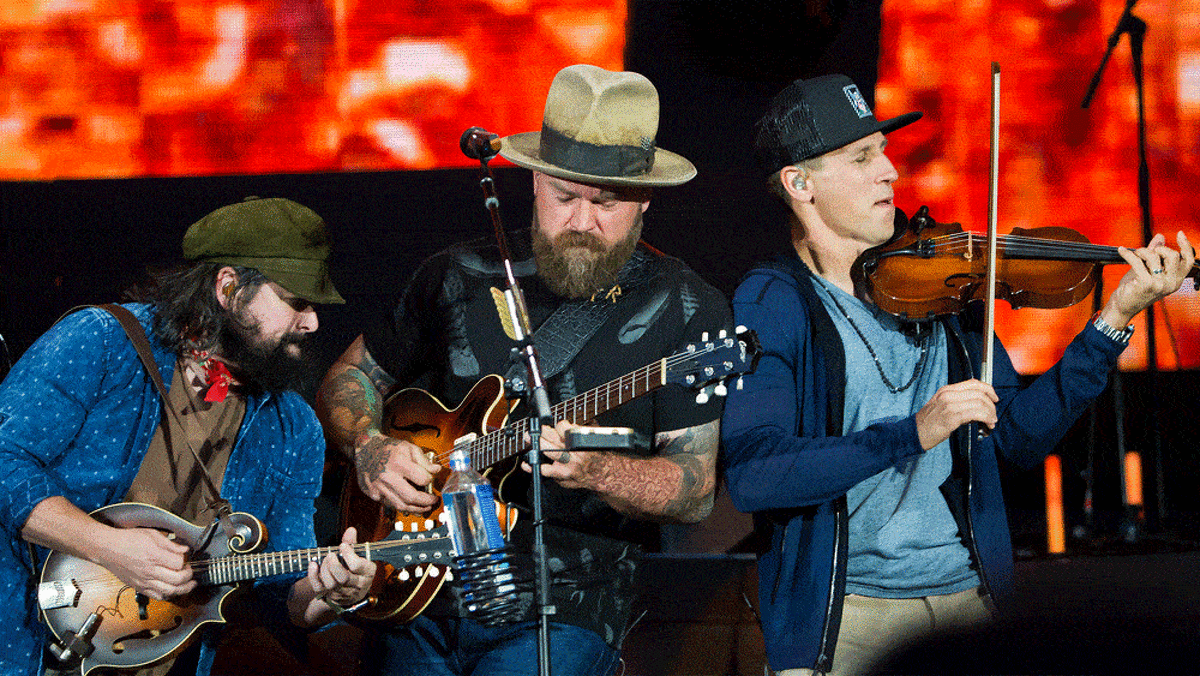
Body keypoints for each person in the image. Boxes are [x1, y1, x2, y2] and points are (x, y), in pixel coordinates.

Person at [719, 74, 1195, 675]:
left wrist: (1114, 318)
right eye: (862, 157)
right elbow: (756, 475)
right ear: (800, 184)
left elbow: (1019, 438)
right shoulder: (776, 300)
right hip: (847, 621)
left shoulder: (945, 286)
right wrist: (912, 432)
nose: (889, 172)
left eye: (884, 152)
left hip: (970, 603)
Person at [316, 63, 732, 675]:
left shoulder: (687, 307)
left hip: (566, 608)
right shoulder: (456, 276)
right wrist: (369, 446)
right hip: (416, 589)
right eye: (565, 197)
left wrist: (596, 470)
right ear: (534, 182)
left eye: (607, 203)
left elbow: (694, 489)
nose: (582, 223)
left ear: (646, 200)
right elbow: (347, 378)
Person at [0, 197, 378, 676]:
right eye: (295, 301)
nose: (312, 322)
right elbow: (4, 459)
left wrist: (329, 596)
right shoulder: (102, 342)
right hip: (25, 647)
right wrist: (108, 546)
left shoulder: (294, 428)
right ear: (229, 288)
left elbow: (278, 595)